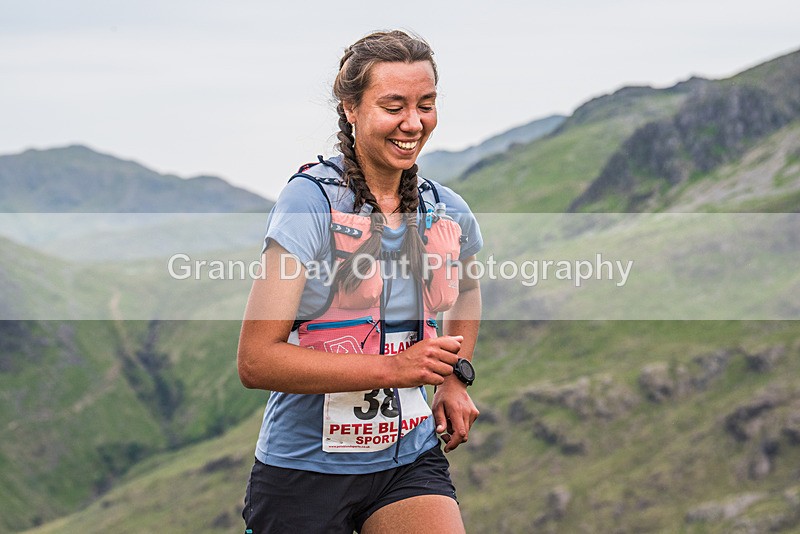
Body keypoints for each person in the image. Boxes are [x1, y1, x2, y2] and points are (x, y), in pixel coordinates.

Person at [238, 29, 482, 534]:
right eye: (394, 106)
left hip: (408, 460)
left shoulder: (446, 208)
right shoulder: (309, 202)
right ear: (350, 108)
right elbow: (256, 360)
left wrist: (455, 377)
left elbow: (469, 290)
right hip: (303, 471)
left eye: (426, 105)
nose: (413, 122)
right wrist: (394, 368)